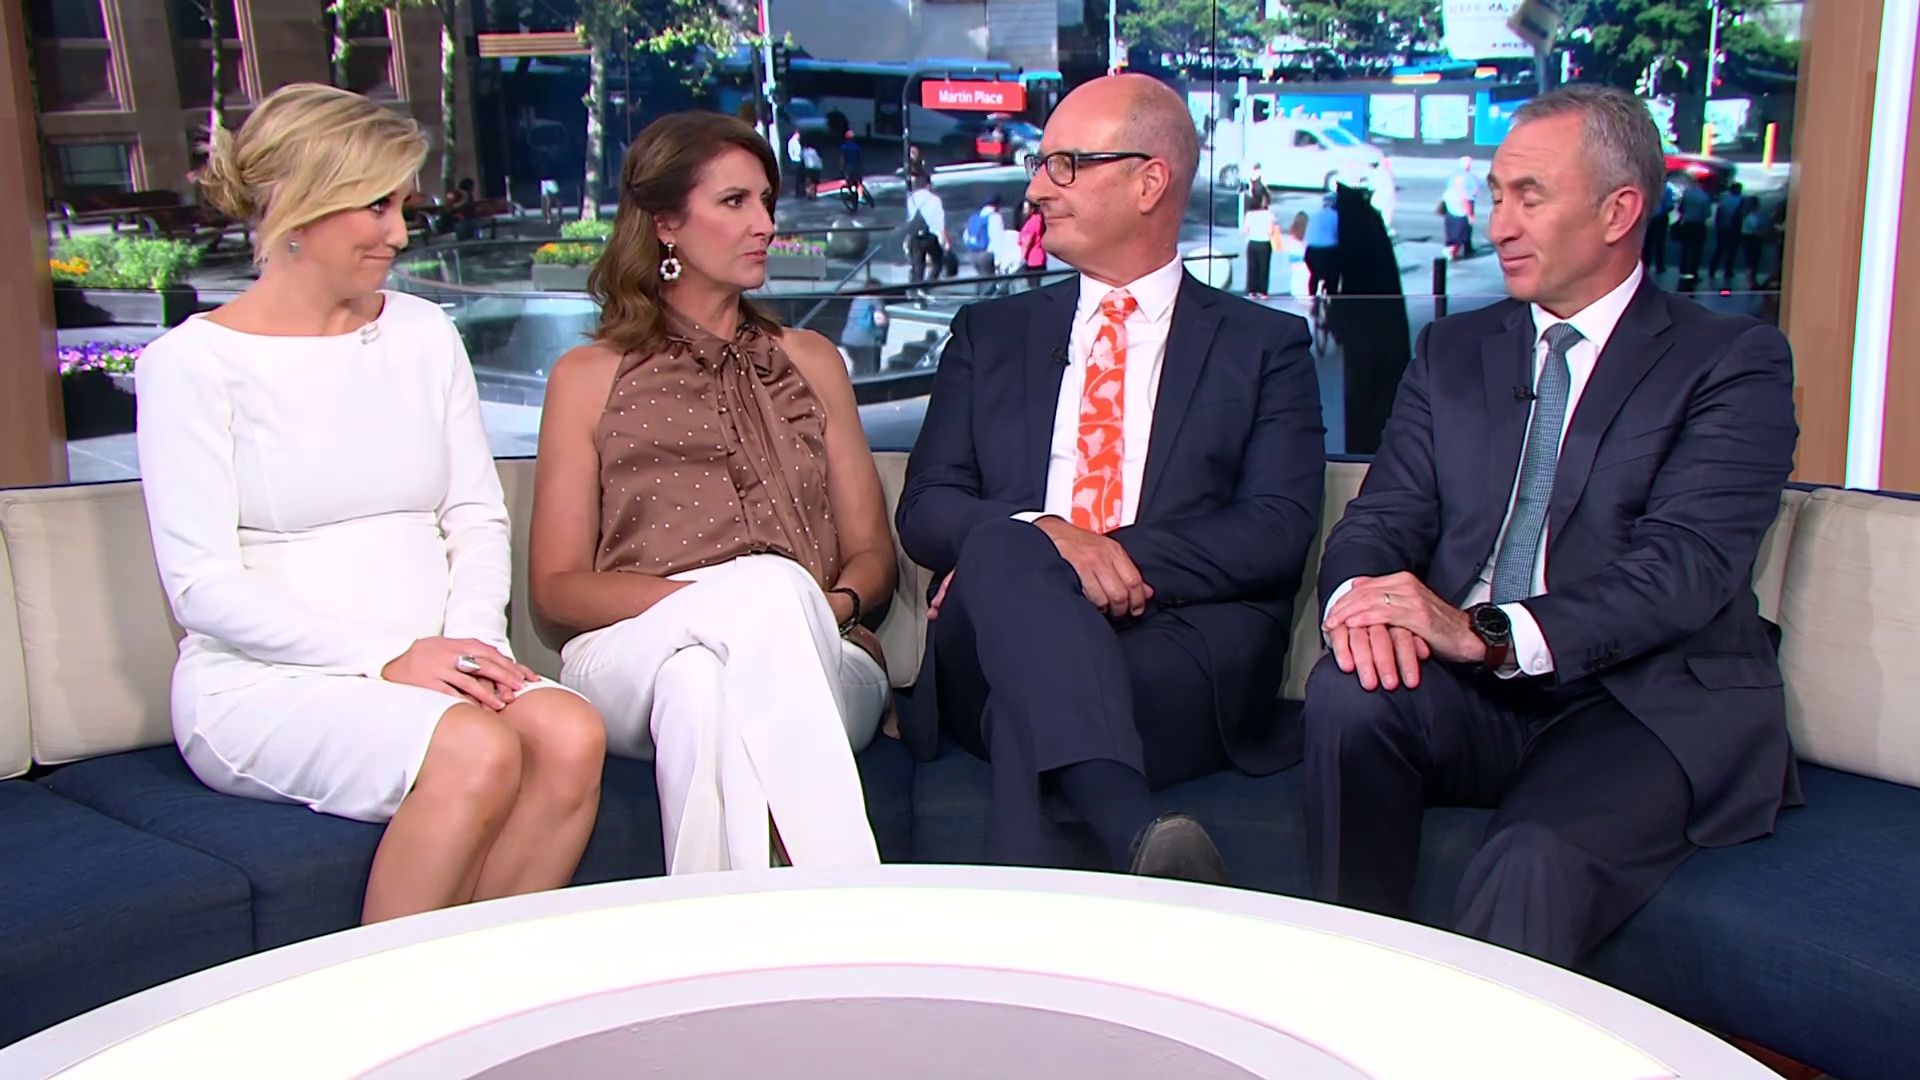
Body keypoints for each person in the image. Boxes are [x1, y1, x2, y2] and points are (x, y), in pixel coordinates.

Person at [1304, 84, 1799, 967]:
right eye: (1496, 196)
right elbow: (1384, 515)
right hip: (1475, 693)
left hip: (1639, 700)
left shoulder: (1730, 361)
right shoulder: (1453, 350)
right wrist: (1361, 604)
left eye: (1529, 197)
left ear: (1619, 211)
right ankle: (1351, 981)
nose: (1498, 226)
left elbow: (1684, 568)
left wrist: (1484, 631)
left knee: (1534, 859)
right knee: (1350, 692)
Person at [135, 83, 606, 925]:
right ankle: (388, 1000)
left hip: (438, 663)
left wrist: (472, 650)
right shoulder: (191, 365)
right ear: (299, 207)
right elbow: (201, 589)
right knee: (475, 748)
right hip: (264, 683)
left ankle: (485, 988)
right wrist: (391, 656)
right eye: (376, 206)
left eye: (402, 206)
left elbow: (474, 515)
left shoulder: (423, 333)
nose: (399, 232)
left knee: (571, 734)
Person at [896, 74, 1326, 880]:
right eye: (1040, 165)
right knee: (1013, 548)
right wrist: (1048, 540)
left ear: (1148, 181)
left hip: (1179, 644)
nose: (1035, 189)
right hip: (986, 641)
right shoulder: (989, 333)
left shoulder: (1263, 346)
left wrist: (1093, 557)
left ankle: (1077, 901)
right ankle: (1144, 839)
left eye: (1064, 164)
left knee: (1032, 688)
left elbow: (1274, 528)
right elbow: (926, 508)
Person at [531, 112, 896, 875]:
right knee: (748, 602)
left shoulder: (812, 361)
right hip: (631, 650)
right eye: (735, 202)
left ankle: (715, 926)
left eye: (766, 201)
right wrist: (727, 604)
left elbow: (871, 557)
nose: (765, 224)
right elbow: (558, 590)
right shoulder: (587, 377)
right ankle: (846, 899)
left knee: (701, 684)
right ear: (665, 224)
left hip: (823, 648)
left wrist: (808, 608)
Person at [905, 174, 949, 285]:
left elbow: (910, 218)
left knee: (918, 265)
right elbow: (939, 222)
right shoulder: (935, 199)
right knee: (937, 262)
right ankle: (929, 284)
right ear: (928, 185)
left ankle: (916, 288)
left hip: (915, 236)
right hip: (929, 236)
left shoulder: (911, 199)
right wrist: (945, 239)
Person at [962, 194, 1006, 293]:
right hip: (986, 254)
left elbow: (965, 236)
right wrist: (998, 260)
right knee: (989, 281)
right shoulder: (995, 216)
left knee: (981, 278)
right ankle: (985, 299)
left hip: (973, 254)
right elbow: (997, 239)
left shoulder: (975, 216)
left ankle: (978, 297)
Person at [1440, 156, 1480, 259]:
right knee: (1463, 229)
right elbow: (1468, 196)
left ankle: (1465, 247)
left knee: (1452, 229)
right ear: (1469, 165)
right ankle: (1457, 250)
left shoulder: (1453, 175)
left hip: (1451, 206)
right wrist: (1470, 215)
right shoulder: (1468, 177)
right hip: (1462, 207)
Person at [1243, 183, 1274, 299]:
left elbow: (1245, 230)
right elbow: (1271, 231)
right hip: (1264, 243)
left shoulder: (1249, 214)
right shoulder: (1269, 215)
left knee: (1252, 268)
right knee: (1263, 268)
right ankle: (1263, 291)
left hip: (1252, 243)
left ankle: (1252, 290)